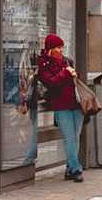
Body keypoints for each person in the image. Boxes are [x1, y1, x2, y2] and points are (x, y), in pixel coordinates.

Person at [36, 33, 85, 181]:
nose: (61, 50)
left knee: (75, 137)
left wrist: (74, 74)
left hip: (76, 104)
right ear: (50, 49)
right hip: (60, 105)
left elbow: (75, 82)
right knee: (69, 138)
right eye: (58, 47)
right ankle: (76, 169)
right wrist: (64, 73)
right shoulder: (43, 64)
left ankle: (70, 168)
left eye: (62, 47)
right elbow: (50, 83)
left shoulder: (67, 61)